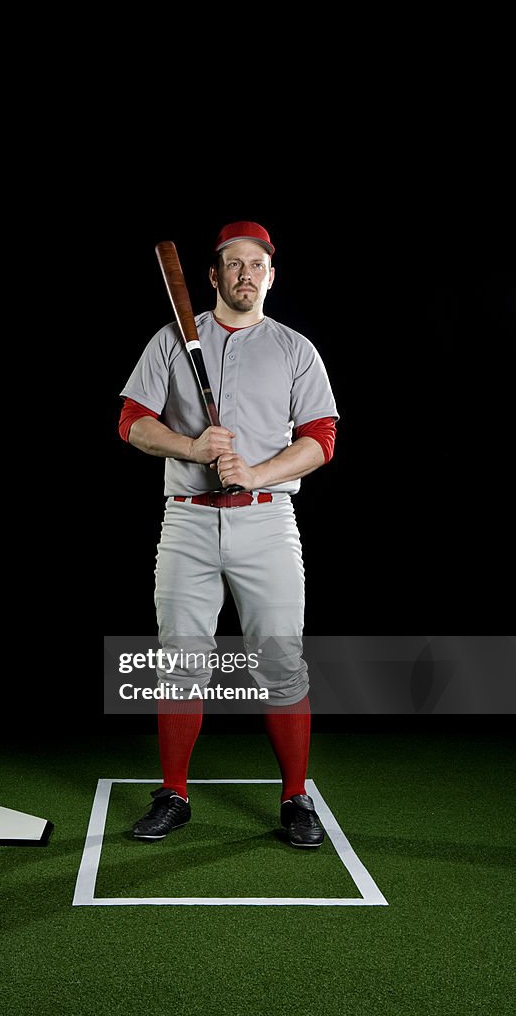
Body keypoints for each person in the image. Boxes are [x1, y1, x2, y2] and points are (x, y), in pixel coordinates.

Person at [118, 221, 339, 847]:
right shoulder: (170, 340)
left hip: (268, 520)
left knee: (282, 665)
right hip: (187, 518)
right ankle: (174, 794)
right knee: (180, 665)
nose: (246, 273)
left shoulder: (296, 349)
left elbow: (321, 439)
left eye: (258, 265)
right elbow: (132, 422)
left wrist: (257, 470)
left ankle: (295, 798)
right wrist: (191, 445)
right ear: (212, 276)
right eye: (233, 263)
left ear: (271, 276)